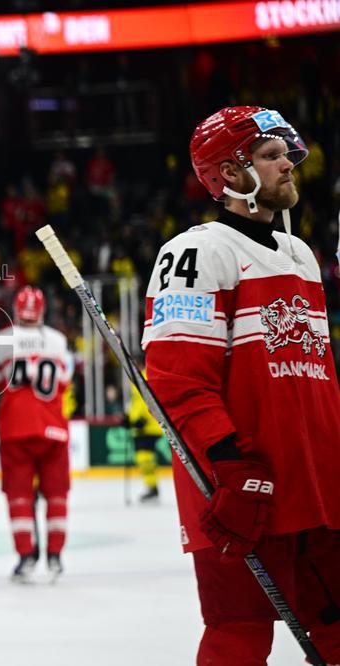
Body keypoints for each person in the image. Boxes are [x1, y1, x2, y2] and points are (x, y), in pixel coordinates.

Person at [142, 106, 340, 664]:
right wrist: (229, 462)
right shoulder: (196, 251)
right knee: (239, 634)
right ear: (231, 173)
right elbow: (177, 379)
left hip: (318, 487)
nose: (288, 166)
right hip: (246, 487)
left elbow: (314, 375)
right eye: (271, 155)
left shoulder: (301, 255)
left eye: (286, 154)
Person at [0, 286, 74, 583]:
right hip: (53, 427)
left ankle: (25, 556)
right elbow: (65, 382)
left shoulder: (2, 337)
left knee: (19, 497)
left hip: (15, 428)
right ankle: (56, 556)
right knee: (57, 495)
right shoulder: (59, 341)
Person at [126, 373, 163, 503]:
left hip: (148, 426)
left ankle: (152, 487)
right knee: (143, 459)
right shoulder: (136, 376)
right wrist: (129, 418)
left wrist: (143, 419)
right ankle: (151, 486)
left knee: (145, 458)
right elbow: (136, 402)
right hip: (139, 428)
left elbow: (149, 400)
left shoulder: (145, 375)